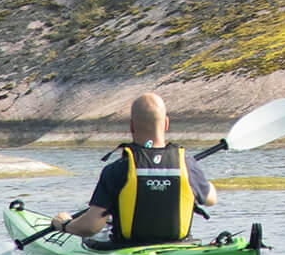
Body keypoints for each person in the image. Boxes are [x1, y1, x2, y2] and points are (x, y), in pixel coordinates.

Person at [48, 93, 218, 247]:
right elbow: (211, 199)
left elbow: (91, 226)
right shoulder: (187, 164)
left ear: (131, 126)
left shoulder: (117, 169)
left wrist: (64, 225)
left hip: (128, 249)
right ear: (166, 123)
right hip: (179, 247)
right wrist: (192, 173)